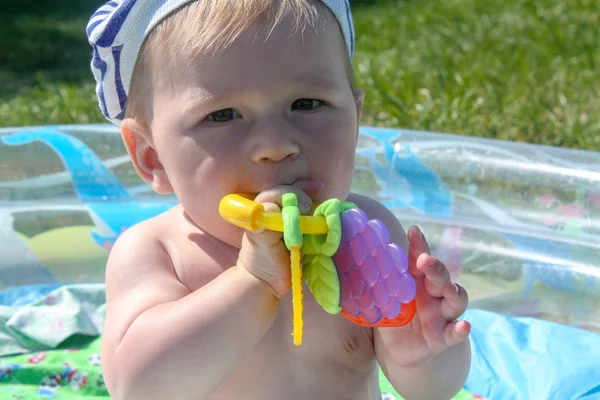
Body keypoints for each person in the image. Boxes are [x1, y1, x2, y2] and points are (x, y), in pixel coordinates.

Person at [87, 1, 471, 399]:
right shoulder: (157, 252)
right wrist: (251, 282)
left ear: (355, 121)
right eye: (222, 115)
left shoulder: (364, 235)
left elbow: (434, 391)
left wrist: (421, 351)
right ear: (151, 156)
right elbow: (138, 387)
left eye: (306, 104)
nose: (275, 145)